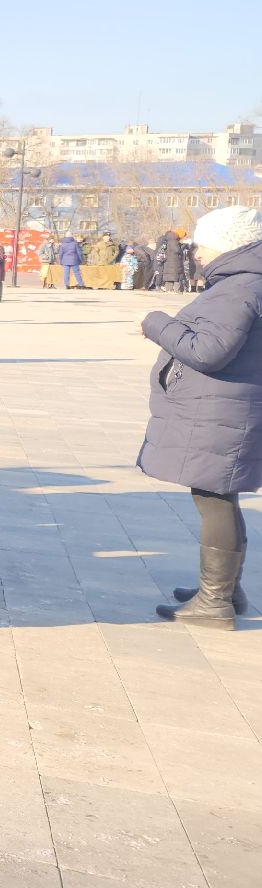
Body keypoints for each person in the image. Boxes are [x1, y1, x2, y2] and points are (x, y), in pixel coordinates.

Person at [137, 207, 262, 630]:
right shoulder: (243, 282)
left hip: (222, 409)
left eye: (203, 244)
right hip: (228, 407)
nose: (197, 252)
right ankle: (226, 591)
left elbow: (208, 351)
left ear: (228, 243)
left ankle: (215, 602)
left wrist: (156, 323)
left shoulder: (238, 288)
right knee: (219, 497)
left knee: (214, 498)